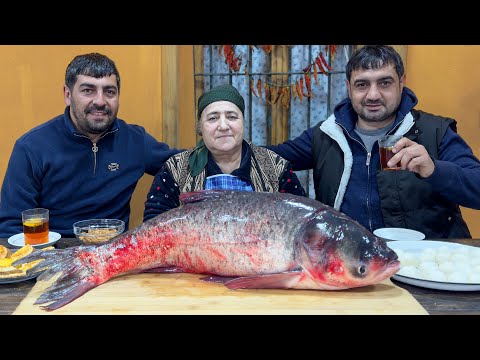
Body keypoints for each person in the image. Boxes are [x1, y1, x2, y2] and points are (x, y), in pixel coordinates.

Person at [267, 45, 480, 239]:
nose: (373, 95)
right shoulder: (326, 134)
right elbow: (268, 158)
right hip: (352, 263)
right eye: (362, 84)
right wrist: (233, 136)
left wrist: (434, 169)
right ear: (349, 87)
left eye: (384, 83)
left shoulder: (435, 131)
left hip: (425, 265)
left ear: (401, 82)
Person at [0, 53, 180, 238]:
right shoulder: (31, 147)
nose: (100, 101)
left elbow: (188, 164)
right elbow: (11, 228)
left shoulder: (135, 140)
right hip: (54, 255)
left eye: (109, 92)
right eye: (88, 90)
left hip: (115, 255)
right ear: (68, 95)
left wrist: (211, 131)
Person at [143, 84, 306, 221]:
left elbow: (300, 220)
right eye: (213, 118)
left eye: (232, 117)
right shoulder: (176, 169)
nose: (223, 126)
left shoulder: (276, 167)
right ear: (200, 127)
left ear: (243, 122)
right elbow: (154, 224)